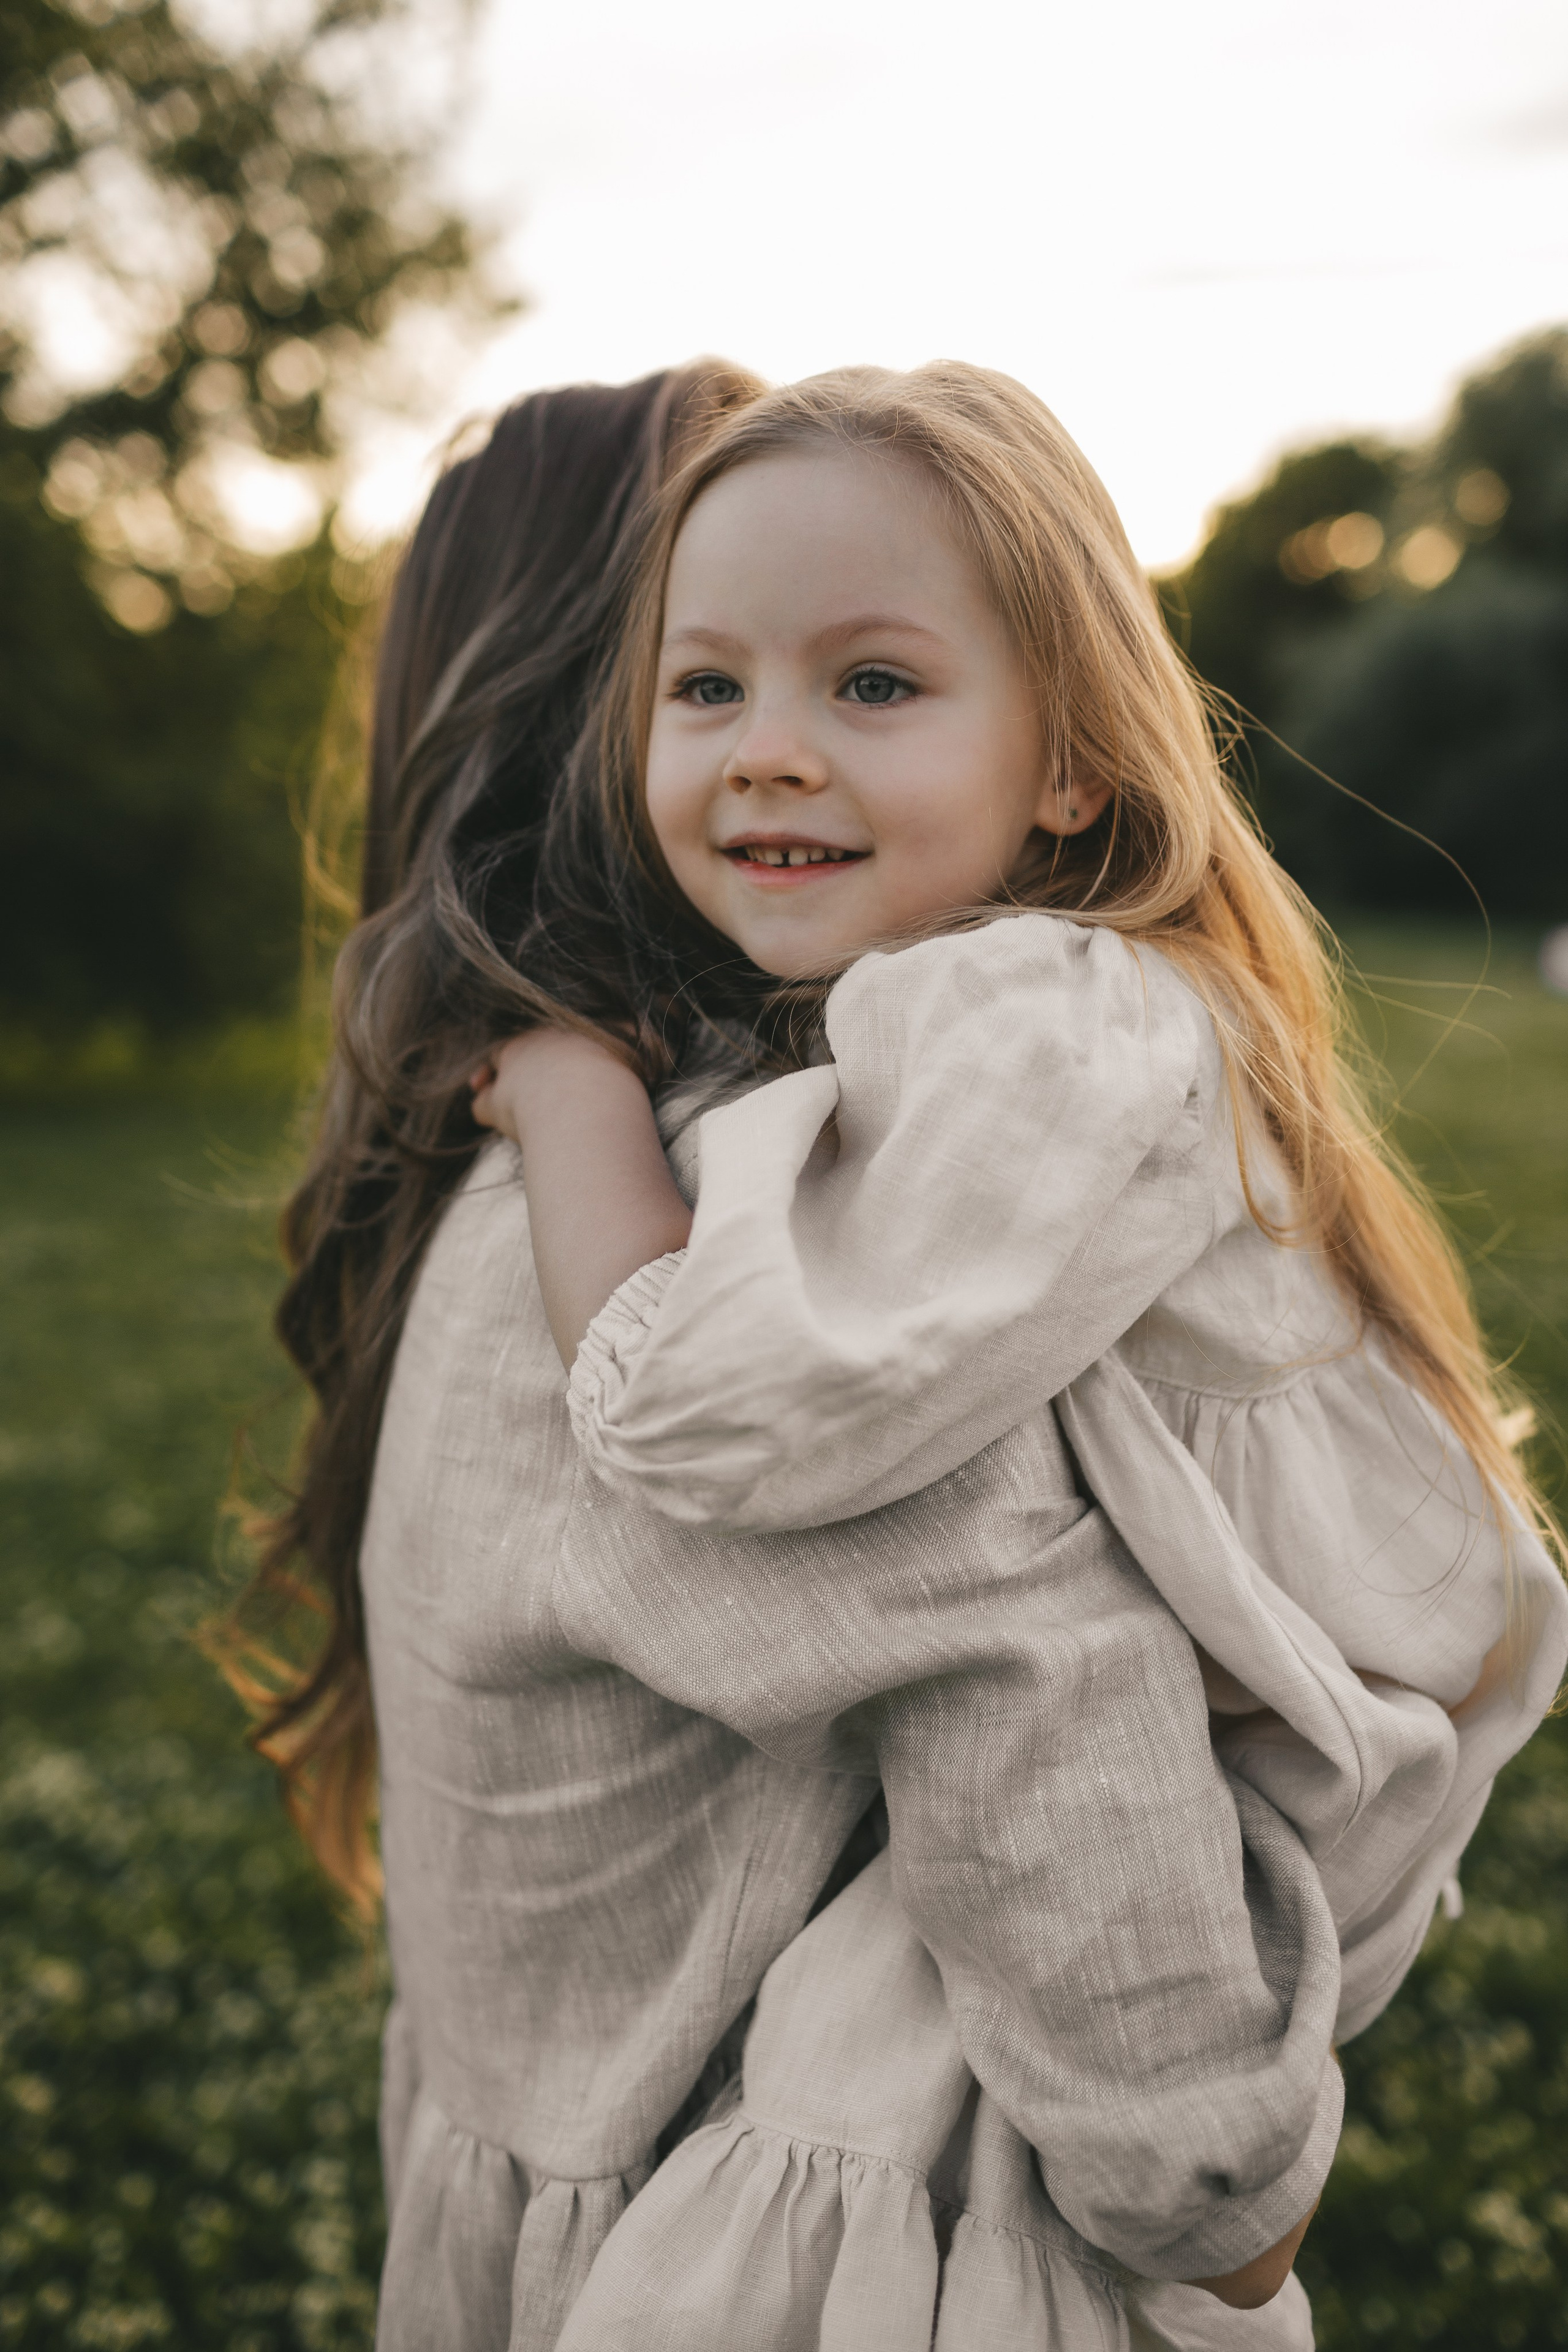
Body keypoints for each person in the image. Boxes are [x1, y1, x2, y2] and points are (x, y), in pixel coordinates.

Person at [453, 364, 1567, 2347]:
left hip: (1257, 1793)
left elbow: (719, 1411)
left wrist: (570, 1101)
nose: (767, 752)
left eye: (873, 684)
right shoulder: (1020, 1001)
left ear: (1072, 766)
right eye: (705, 688)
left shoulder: (1038, 1019)